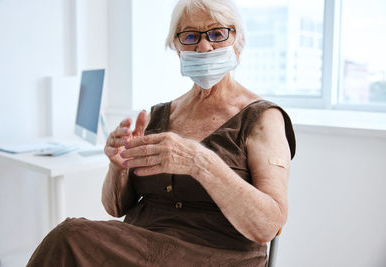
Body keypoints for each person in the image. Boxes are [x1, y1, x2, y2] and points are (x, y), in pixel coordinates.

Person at [27, 0, 296, 266]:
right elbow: (115, 208)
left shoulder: (263, 118)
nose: (203, 46)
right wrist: (117, 167)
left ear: (238, 42)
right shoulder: (160, 115)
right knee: (70, 238)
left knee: (69, 237)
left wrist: (199, 162)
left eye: (217, 33)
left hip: (216, 254)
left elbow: (268, 226)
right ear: (177, 48)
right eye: (190, 36)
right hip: (142, 244)